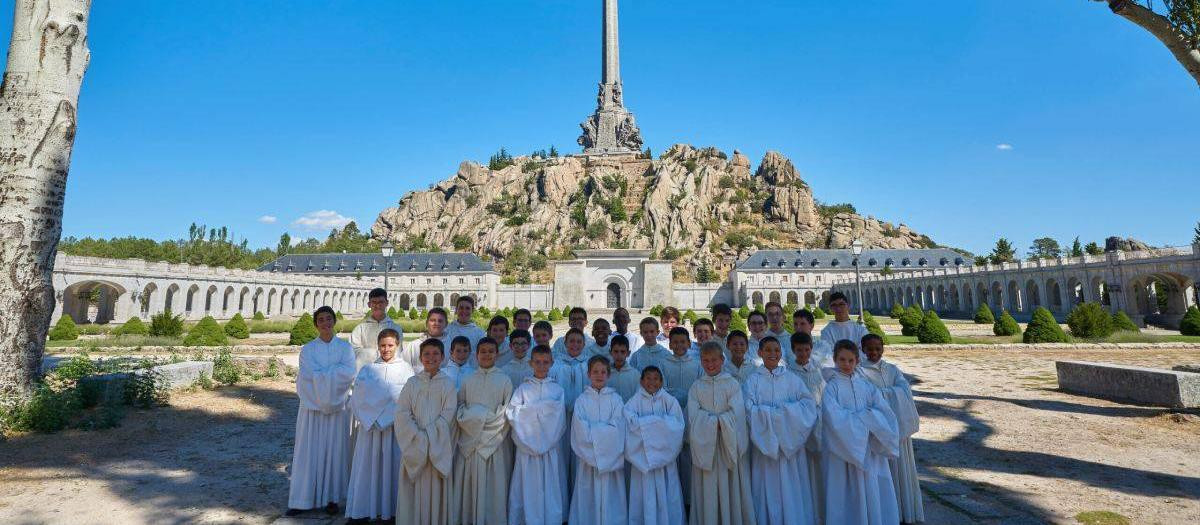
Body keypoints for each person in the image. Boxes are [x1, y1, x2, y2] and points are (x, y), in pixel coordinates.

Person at [287, 306, 356, 516]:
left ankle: (332, 499)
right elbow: (306, 376)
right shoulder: (307, 349)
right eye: (321, 320)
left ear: (334, 321)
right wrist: (329, 381)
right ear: (316, 324)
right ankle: (301, 500)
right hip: (312, 409)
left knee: (334, 451)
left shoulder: (345, 348)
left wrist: (324, 378)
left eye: (328, 319)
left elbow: (349, 373)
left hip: (336, 410)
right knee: (308, 452)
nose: (325, 323)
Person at [822, 340, 900, 525]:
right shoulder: (831, 388)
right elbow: (833, 417)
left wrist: (869, 421)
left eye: (850, 360)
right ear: (834, 360)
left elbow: (883, 411)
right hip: (843, 452)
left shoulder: (867, 387)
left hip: (869, 448)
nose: (846, 364)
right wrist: (865, 421)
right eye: (842, 360)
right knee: (845, 490)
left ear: (857, 360)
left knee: (871, 487)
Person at [744, 336, 820, 525]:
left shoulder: (792, 379)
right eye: (768, 350)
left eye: (776, 350)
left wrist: (779, 416)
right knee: (766, 487)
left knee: (792, 488)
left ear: (781, 353)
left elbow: (808, 405)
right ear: (759, 353)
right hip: (765, 449)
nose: (772, 354)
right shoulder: (752, 381)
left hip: (790, 450)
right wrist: (778, 416)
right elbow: (747, 409)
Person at [345, 329, 413, 523]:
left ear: (398, 345)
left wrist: (387, 416)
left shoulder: (406, 369)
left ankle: (392, 510)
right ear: (378, 346)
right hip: (371, 429)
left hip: (394, 429)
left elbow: (406, 396)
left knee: (393, 468)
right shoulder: (367, 370)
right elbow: (357, 396)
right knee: (367, 468)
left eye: (390, 345)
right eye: (383, 345)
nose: (386, 349)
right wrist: (371, 418)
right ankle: (363, 509)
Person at [687, 341, 756, 525]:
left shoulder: (732, 384)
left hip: (728, 448)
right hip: (706, 451)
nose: (710, 364)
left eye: (714, 360)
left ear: (722, 360)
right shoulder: (696, 387)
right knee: (708, 491)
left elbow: (738, 414)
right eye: (706, 360)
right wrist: (718, 423)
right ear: (701, 361)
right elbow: (693, 418)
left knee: (731, 490)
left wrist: (715, 423)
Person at [859, 334, 923, 524]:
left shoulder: (892, 369)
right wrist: (888, 395)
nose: (874, 352)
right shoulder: (860, 371)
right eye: (870, 349)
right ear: (862, 349)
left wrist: (883, 395)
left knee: (902, 469)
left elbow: (904, 390)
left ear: (883, 348)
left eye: (878, 348)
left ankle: (905, 511)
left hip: (898, 427)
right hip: (878, 431)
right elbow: (866, 396)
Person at [394, 338, 458, 525]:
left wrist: (429, 436)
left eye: (436, 354)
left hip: (438, 448)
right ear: (421, 358)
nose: (431, 358)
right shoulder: (412, 383)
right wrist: (417, 436)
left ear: (443, 357)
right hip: (415, 447)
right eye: (426, 354)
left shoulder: (448, 384)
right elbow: (402, 413)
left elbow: (449, 414)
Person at [453, 337, 514, 525]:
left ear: (497, 354)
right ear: (476, 355)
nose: (487, 355)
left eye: (491, 351)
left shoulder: (504, 380)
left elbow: (507, 411)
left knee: (494, 487)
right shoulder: (467, 379)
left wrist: (482, 424)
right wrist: (477, 423)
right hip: (470, 443)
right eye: (483, 351)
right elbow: (460, 408)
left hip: (495, 442)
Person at [507, 345, 568, 524]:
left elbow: (559, 418)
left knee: (550, 484)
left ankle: (551, 518)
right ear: (530, 363)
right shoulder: (522, 390)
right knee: (528, 485)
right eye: (538, 362)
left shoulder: (557, 389)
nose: (541, 366)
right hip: (527, 450)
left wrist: (531, 410)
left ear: (552, 363)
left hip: (550, 450)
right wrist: (542, 410)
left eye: (545, 362)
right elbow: (512, 413)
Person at [568, 355, 629, 525]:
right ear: (588, 374)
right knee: (588, 496)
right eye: (595, 371)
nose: (599, 375)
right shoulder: (582, 400)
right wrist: (596, 453)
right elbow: (580, 431)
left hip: (611, 465)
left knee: (612, 497)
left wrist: (596, 435)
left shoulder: (616, 400)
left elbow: (619, 428)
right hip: (588, 463)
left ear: (608, 375)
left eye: (603, 372)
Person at [624, 366, 686, 525]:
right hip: (643, 463)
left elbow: (678, 426)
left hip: (665, 464)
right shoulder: (633, 402)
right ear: (641, 381)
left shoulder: (669, 401)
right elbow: (629, 425)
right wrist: (659, 424)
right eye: (648, 378)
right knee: (644, 496)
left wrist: (646, 425)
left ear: (661, 381)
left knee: (668, 494)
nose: (652, 382)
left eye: (656, 378)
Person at [789, 332, 827, 523]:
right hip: (799, 430)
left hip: (817, 427)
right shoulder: (789, 373)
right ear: (793, 351)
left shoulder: (817, 371)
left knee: (818, 472)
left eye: (806, 349)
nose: (803, 353)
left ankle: (820, 511)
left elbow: (824, 396)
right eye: (799, 350)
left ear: (811, 349)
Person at [662, 326, 702, 507]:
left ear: (689, 343)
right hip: (670, 417)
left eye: (682, 342)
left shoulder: (697, 363)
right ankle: (674, 502)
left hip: (693, 415)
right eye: (675, 342)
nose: (679, 345)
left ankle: (691, 499)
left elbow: (701, 388)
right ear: (670, 344)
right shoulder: (663, 363)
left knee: (690, 457)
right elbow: (661, 390)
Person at [552, 328, 591, 501]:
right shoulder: (556, 365)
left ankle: (579, 501)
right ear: (565, 343)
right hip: (562, 419)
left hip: (582, 419)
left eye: (578, 341)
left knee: (580, 457)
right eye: (571, 341)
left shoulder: (589, 364)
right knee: (562, 456)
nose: (575, 345)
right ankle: (562, 500)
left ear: (584, 344)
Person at [348, 288, 403, 371]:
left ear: (386, 303)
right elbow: (353, 352)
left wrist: (368, 352)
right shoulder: (360, 329)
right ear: (369, 304)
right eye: (374, 302)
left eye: (381, 302)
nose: (377, 305)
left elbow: (397, 353)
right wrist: (377, 354)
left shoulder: (395, 328)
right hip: (365, 373)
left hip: (389, 371)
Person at [605, 335, 639, 401]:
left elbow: (638, 398)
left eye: (622, 352)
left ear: (628, 353)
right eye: (616, 351)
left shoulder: (635, 375)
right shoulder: (605, 373)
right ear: (610, 352)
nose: (619, 355)